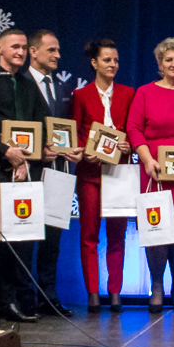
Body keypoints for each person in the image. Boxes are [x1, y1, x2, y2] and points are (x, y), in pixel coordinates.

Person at [0, 28, 54, 327]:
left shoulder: (28, 85)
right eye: (14, 46)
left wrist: (32, 155)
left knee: (15, 237)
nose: (19, 52)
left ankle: (7, 303)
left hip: (22, 169)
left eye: (23, 47)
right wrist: (6, 151)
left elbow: (40, 125)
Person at [126, 37, 174, 313]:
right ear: (160, 64)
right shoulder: (145, 92)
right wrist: (146, 158)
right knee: (156, 230)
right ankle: (157, 287)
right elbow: (133, 128)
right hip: (153, 169)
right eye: (168, 59)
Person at [71, 38, 135, 311]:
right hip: (90, 173)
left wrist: (129, 144)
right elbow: (74, 133)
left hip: (119, 173)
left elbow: (134, 130)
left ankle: (115, 292)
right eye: (107, 60)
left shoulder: (129, 93)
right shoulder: (80, 95)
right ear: (94, 63)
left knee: (117, 236)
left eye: (116, 60)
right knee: (89, 235)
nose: (113, 64)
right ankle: (93, 293)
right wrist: (85, 152)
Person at [24, 30, 81, 317]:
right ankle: (23, 297)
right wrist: (37, 152)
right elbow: (14, 128)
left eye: (58, 50)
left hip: (58, 170)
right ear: (33, 52)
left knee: (52, 237)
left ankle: (48, 295)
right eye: (51, 50)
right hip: (27, 170)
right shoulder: (20, 83)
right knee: (24, 235)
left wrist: (72, 149)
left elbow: (65, 128)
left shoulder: (61, 87)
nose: (57, 55)